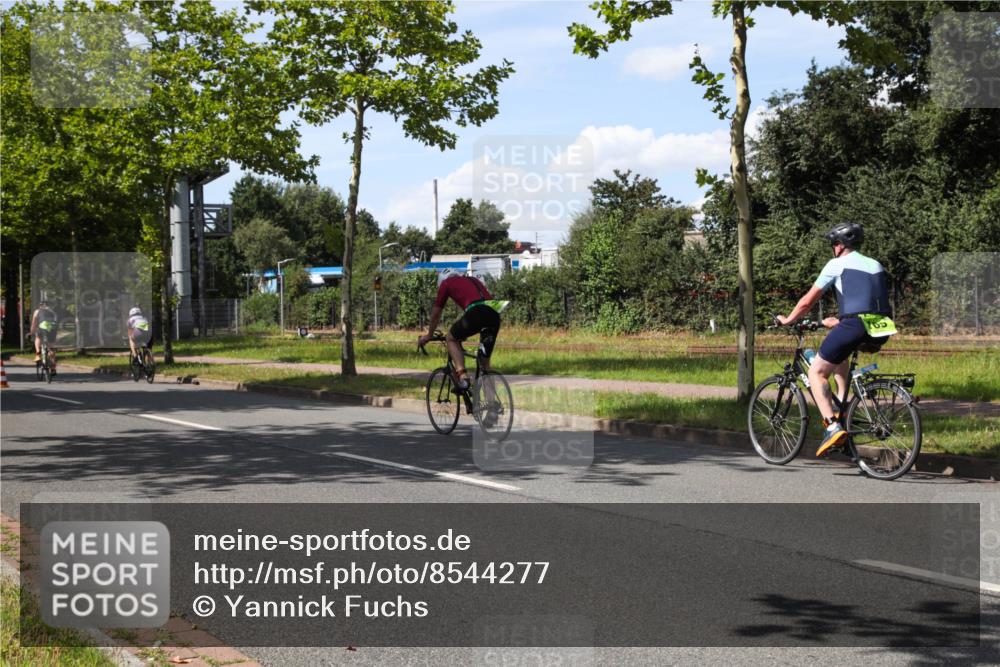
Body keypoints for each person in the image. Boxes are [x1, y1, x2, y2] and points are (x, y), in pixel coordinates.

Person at [777, 222, 896, 457]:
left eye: (834, 244)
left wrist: (788, 319)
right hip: (882, 327)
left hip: (855, 324)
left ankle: (832, 426)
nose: (833, 249)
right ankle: (841, 409)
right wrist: (839, 322)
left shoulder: (837, 264)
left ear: (840, 246)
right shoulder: (876, 264)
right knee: (840, 355)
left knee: (817, 372)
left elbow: (807, 301)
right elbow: (868, 300)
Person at [417, 269, 504, 391]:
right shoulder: (473, 280)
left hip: (477, 312)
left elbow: (436, 313)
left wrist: (429, 335)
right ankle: (492, 406)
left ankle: (463, 378)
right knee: (485, 365)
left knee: (450, 338)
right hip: (494, 313)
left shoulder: (446, 283)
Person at [29, 298, 58, 370]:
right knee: (51, 348)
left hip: (43, 327)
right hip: (52, 328)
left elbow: (34, 323)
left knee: (38, 337)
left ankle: (38, 354)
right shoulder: (53, 311)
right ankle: (53, 368)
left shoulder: (37, 311)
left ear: (40, 305)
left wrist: (31, 332)